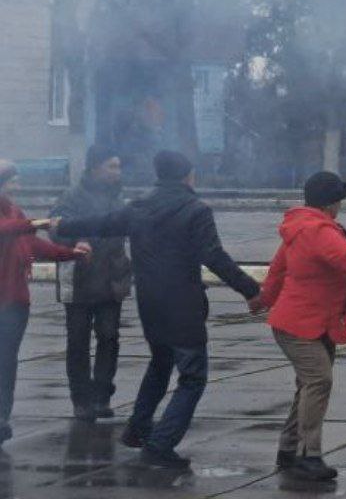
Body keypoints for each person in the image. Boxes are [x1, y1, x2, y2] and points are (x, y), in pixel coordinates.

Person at [56, 150, 262, 470]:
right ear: (188, 175)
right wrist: (251, 290)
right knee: (192, 376)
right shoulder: (196, 210)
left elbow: (104, 223)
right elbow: (214, 256)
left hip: (150, 303)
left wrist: (63, 225)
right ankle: (161, 444)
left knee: (160, 363)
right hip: (183, 305)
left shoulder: (139, 207)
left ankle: (138, 429)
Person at [257, 171, 346, 482]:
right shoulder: (317, 230)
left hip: (312, 322)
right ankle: (308, 456)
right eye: (339, 201)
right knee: (319, 381)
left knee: (309, 385)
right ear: (330, 203)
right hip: (301, 324)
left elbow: (278, 271)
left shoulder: (301, 227)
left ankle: (289, 450)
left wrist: (263, 299)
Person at [0, 160, 89, 448]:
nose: (16, 187)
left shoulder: (16, 213)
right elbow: (7, 229)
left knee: (7, 361)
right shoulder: (15, 220)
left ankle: (2, 418)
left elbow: (33, 245)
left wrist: (71, 253)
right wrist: (38, 223)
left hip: (15, 302)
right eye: (11, 181)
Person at [50, 146, 132, 422]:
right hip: (80, 281)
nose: (117, 172)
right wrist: (76, 242)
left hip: (111, 281)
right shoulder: (71, 197)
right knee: (78, 342)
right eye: (112, 166)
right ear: (96, 167)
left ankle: (102, 396)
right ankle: (81, 400)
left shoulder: (118, 199)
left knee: (109, 337)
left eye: (118, 166)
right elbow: (55, 229)